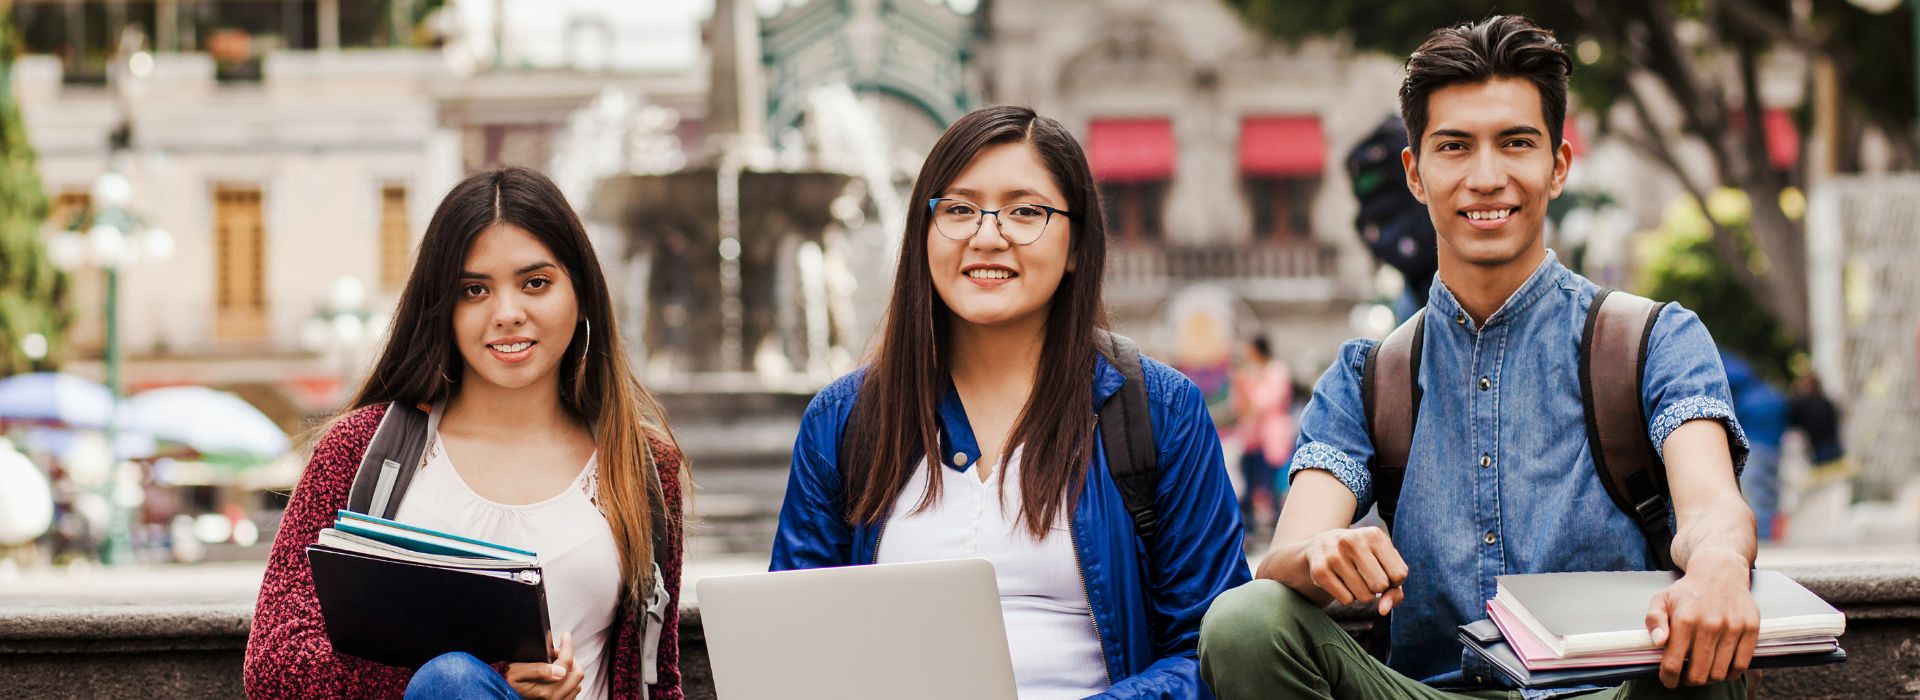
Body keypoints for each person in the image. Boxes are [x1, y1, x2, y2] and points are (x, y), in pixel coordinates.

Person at [1198, 16, 1758, 700]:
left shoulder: (1653, 340)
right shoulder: (1368, 378)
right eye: (1455, 147)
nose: (1486, 176)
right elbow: (1289, 550)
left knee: (1711, 651)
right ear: (1415, 173)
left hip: (1615, 691)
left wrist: (1721, 563)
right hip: (1422, 691)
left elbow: (1710, 508)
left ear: (1557, 167)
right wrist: (1323, 555)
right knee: (1244, 623)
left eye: (1515, 143)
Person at [769, 104, 1251, 699]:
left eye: (1025, 212)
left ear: (1077, 245)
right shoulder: (845, 420)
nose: (986, 236)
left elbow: (1212, 648)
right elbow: (795, 643)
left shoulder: (1158, 411)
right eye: (960, 209)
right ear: (922, 234)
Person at [245, 167, 687, 700]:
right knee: (451, 681)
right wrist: (487, 678)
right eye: (474, 290)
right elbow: (274, 660)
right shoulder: (361, 451)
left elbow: (658, 677)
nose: (507, 314)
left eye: (535, 283)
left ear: (583, 294)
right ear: (444, 309)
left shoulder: (641, 467)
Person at [1230, 335, 1295, 527]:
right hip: (1252, 437)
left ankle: (1279, 525)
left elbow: (1266, 402)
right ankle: (1248, 526)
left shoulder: (1276, 370)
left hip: (1272, 436)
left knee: (1273, 482)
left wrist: (1250, 386)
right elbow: (1240, 405)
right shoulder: (1249, 372)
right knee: (1249, 480)